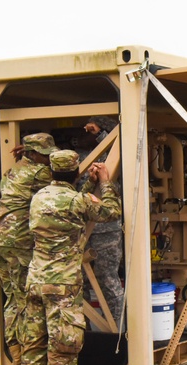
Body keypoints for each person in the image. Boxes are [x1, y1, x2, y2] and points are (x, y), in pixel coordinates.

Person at [19, 151, 121, 365]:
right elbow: (111, 211)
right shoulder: (79, 201)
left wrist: (85, 186)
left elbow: (66, 203)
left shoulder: (39, 197)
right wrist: (105, 183)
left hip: (36, 281)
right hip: (62, 285)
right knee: (63, 348)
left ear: (52, 171)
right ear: (75, 171)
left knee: (34, 345)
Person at [0, 133, 57, 365]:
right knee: (27, 301)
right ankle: (28, 363)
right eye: (44, 154)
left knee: (12, 298)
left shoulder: (13, 171)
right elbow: (67, 176)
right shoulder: (40, 174)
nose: (48, 159)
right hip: (16, 242)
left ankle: (15, 357)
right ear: (34, 154)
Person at [77, 116, 125, 329]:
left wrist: (101, 135)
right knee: (81, 283)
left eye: (94, 129)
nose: (88, 132)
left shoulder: (113, 155)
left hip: (106, 229)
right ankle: (84, 329)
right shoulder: (78, 157)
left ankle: (120, 331)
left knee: (108, 280)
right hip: (82, 229)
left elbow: (119, 150)